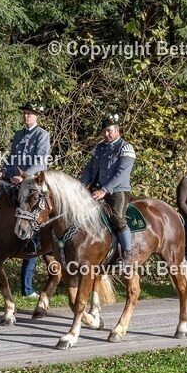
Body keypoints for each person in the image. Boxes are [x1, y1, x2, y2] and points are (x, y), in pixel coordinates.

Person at [3, 102, 52, 298]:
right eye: (24, 114)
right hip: (16, 180)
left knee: (33, 230)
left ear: (36, 116)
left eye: (29, 114)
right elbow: (12, 158)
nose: (26, 117)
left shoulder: (42, 135)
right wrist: (5, 170)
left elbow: (40, 161)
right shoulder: (18, 134)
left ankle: (27, 285)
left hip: (33, 183)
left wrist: (24, 177)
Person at [80, 114, 136, 269]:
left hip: (117, 191)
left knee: (118, 218)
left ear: (117, 130)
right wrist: (82, 185)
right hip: (95, 189)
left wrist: (105, 190)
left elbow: (122, 174)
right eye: (104, 131)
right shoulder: (99, 148)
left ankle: (127, 255)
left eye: (109, 131)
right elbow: (89, 169)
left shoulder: (126, 148)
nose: (106, 134)